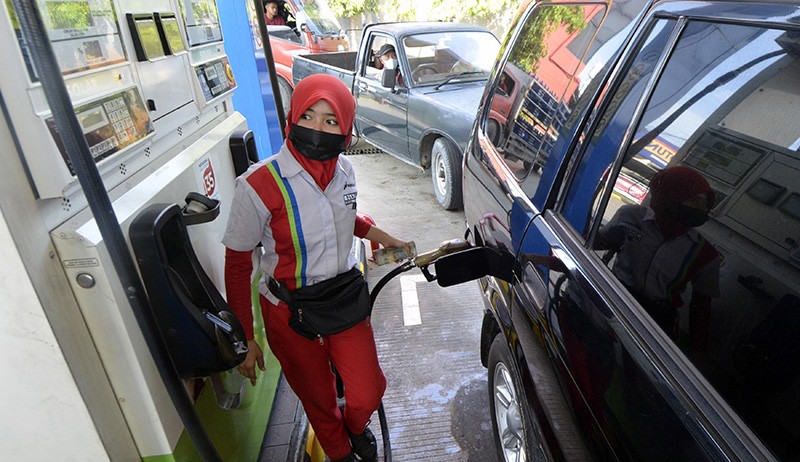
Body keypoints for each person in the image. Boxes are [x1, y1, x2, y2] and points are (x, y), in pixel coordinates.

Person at [223, 74, 413, 462]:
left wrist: (379, 233)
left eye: (330, 121)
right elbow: (238, 263)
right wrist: (244, 338)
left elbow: (342, 216)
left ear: (346, 130)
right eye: (308, 116)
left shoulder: (345, 170)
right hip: (289, 313)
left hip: (341, 298)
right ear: (292, 118)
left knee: (368, 392)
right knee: (319, 400)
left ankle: (354, 428)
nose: (317, 129)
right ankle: (341, 453)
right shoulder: (258, 185)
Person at [597, 165, 721, 353]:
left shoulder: (705, 254)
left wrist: (696, 351)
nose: (702, 209)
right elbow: (599, 242)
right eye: (694, 200)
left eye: (705, 203)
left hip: (655, 323)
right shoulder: (632, 216)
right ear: (671, 196)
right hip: (613, 299)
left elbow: (701, 308)